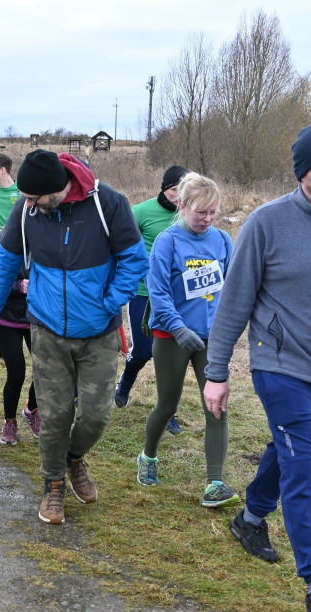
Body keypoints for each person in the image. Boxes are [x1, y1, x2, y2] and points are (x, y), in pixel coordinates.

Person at [203, 124, 311, 612]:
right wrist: (216, 374)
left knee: (288, 448)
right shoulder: (266, 223)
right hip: (278, 365)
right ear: (303, 173)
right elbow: (233, 303)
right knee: (303, 466)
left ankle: (250, 519)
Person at [0, 150, 147, 525]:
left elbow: (135, 259)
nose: (29, 204)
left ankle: (73, 459)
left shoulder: (109, 204)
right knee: (54, 415)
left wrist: (111, 301)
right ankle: (53, 483)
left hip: (99, 331)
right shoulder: (27, 211)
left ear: (57, 189)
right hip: (48, 328)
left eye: (35, 198)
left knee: (96, 415)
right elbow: (5, 263)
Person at [134, 172, 237, 507]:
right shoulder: (169, 241)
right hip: (172, 336)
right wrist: (178, 328)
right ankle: (148, 457)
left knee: (217, 407)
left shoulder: (222, 241)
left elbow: (234, 287)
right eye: (200, 212)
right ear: (183, 205)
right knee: (168, 403)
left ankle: (215, 484)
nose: (207, 219)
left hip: (212, 340)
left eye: (213, 213)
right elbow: (158, 292)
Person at [115, 165, 189, 437]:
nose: (179, 196)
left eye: (184, 191)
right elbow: (121, 244)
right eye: (174, 190)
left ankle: (168, 410)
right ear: (164, 187)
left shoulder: (190, 214)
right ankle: (125, 382)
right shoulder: (142, 212)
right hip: (143, 293)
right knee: (144, 351)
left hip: (177, 296)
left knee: (172, 357)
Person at [0, 229, 40, 444]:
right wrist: (17, 286)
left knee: (45, 369)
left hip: (39, 318)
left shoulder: (50, 237)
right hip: (7, 317)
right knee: (17, 373)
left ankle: (32, 409)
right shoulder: (3, 238)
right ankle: (10, 423)